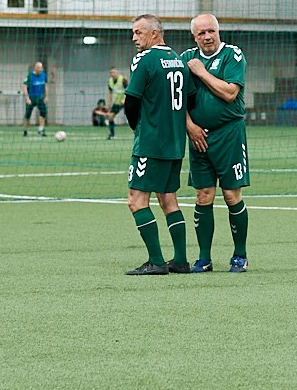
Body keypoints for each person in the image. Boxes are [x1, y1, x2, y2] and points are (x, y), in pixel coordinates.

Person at [182, 14, 251, 273]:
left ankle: (240, 255)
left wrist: (201, 72)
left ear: (218, 31)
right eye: (201, 33)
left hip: (229, 134)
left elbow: (230, 93)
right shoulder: (185, 58)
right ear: (194, 37)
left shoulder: (232, 55)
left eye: (211, 31)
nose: (207, 36)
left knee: (231, 194)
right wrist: (189, 126)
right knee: (203, 195)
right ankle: (204, 259)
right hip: (198, 136)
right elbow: (177, 98)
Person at [122, 14, 190, 276]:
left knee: (136, 200)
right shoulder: (179, 60)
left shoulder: (146, 60)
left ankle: (156, 261)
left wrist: (135, 127)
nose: (134, 38)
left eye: (138, 32)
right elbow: (190, 99)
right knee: (168, 199)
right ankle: (181, 261)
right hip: (175, 143)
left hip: (151, 142)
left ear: (154, 33)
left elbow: (131, 101)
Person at [21, 61, 50, 136]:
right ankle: (25, 130)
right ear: (35, 68)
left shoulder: (44, 75)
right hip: (31, 98)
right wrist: (27, 98)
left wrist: (46, 96)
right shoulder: (30, 76)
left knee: (43, 112)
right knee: (28, 115)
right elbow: (24, 86)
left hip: (40, 98)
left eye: (41, 68)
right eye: (38, 68)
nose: (40, 69)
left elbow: (45, 85)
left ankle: (41, 129)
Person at [106, 68, 126, 140]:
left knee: (133, 118)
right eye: (111, 72)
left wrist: (124, 99)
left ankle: (138, 134)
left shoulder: (123, 80)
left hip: (126, 101)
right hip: (117, 102)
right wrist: (108, 104)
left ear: (117, 73)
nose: (112, 74)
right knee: (110, 117)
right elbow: (110, 93)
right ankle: (112, 135)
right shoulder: (110, 81)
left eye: (114, 72)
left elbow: (129, 89)